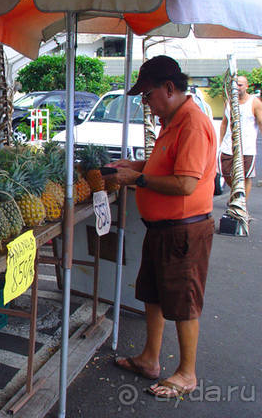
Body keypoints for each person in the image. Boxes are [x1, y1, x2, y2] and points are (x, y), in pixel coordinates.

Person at [108, 56, 216, 400]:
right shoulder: (172, 121)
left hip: (184, 231)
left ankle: (186, 373)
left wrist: (137, 177)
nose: (146, 103)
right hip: (162, 230)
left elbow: (185, 183)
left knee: (183, 302)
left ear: (169, 89)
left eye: (149, 95)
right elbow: (166, 165)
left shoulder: (193, 123)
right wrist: (135, 164)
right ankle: (150, 359)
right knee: (153, 295)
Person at [218, 75, 262, 200]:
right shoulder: (229, 101)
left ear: (246, 86)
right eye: (235, 84)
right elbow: (224, 123)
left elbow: (261, 123)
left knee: (246, 176)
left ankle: (242, 204)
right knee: (226, 173)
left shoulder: (254, 103)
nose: (237, 87)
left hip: (247, 148)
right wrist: (220, 143)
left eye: (240, 85)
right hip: (228, 146)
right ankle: (237, 194)